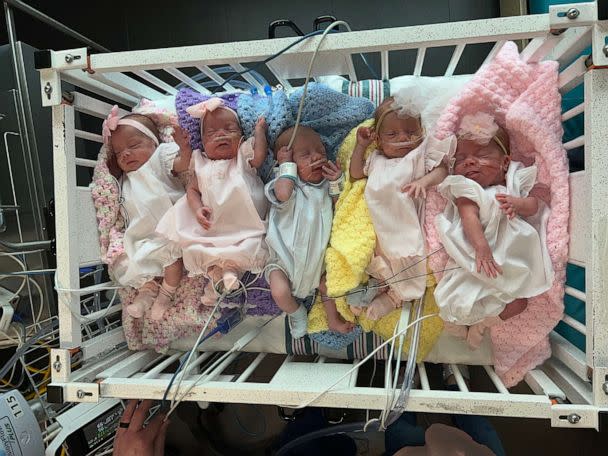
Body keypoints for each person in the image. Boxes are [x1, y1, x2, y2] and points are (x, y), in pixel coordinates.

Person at [157, 98, 269, 304]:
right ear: (203, 142)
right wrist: (198, 209)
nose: (221, 134)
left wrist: (260, 132)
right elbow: (191, 190)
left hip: (244, 224)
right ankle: (216, 276)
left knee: (250, 245)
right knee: (198, 247)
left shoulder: (242, 156)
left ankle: (229, 274)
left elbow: (259, 157)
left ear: (242, 136)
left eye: (229, 129)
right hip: (211, 224)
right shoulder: (200, 162)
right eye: (211, 133)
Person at [348, 94, 448, 321]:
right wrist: (360, 146)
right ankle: (379, 289)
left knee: (409, 261)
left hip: (406, 224)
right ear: (379, 140)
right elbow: (355, 174)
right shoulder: (375, 158)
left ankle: (395, 297)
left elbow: (442, 170)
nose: (403, 138)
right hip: (379, 226)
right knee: (376, 260)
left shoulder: (418, 155)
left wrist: (424, 181)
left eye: (411, 132)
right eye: (392, 134)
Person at [103, 106, 191, 320]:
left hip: (171, 229)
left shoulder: (158, 158)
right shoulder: (123, 179)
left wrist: (184, 148)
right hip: (141, 235)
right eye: (118, 152)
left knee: (172, 262)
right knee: (129, 263)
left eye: (133, 145)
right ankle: (146, 293)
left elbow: (183, 164)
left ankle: (165, 295)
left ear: (154, 142)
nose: (125, 153)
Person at [265, 126, 353, 337]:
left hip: (319, 264)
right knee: (279, 291)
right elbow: (283, 194)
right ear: (289, 164)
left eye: (321, 152)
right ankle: (296, 312)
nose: (316, 157)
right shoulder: (288, 186)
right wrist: (286, 167)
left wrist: (336, 181)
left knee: (327, 285)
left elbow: (341, 207)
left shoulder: (324, 187)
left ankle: (332, 319)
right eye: (305, 154)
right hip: (284, 263)